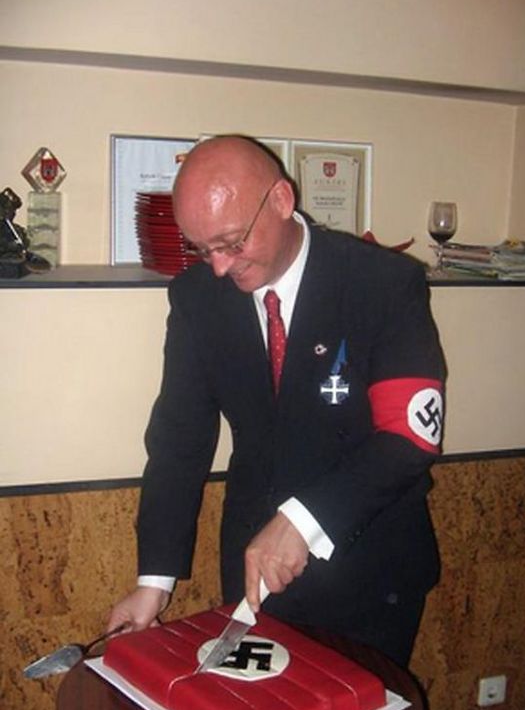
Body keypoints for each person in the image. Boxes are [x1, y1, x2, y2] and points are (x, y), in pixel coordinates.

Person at [108, 135, 446, 667]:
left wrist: (304, 520)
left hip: (371, 573)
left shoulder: (382, 283)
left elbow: (409, 438)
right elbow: (179, 442)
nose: (219, 267)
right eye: (202, 249)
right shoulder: (198, 299)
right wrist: (154, 581)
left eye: (231, 242)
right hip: (256, 577)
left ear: (282, 200)